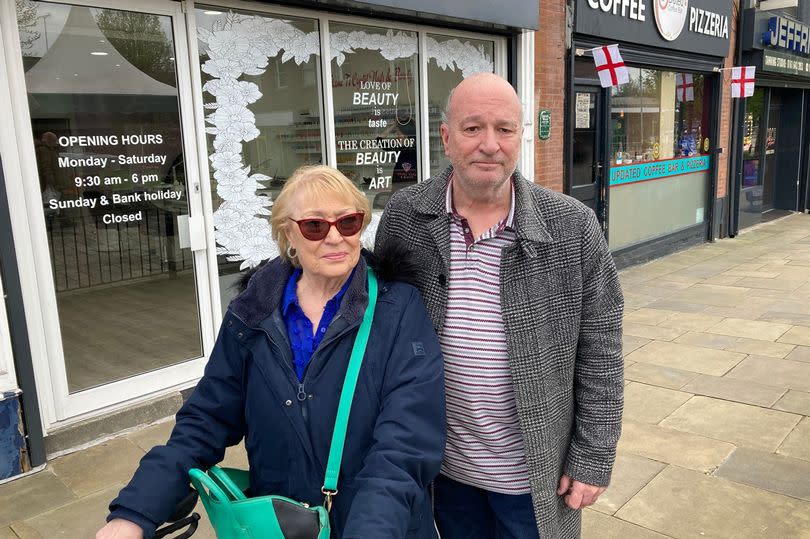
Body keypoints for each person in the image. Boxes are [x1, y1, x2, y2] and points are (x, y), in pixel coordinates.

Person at [97, 165, 446, 539]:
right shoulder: (252, 314)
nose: (335, 238)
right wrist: (134, 513)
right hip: (283, 527)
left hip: (381, 524)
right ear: (287, 235)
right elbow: (205, 419)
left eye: (348, 222)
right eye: (315, 225)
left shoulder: (398, 308)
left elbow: (405, 441)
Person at [375, 73, 624, 539]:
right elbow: (383, 331)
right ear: (447, 138)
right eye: (473, 129)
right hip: (445, 469)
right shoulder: (406, 216)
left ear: (520, 137)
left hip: (536, 477)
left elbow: (602, 352)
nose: (490, 144)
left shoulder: (573, 227)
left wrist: (594, 455)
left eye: (504, 129)